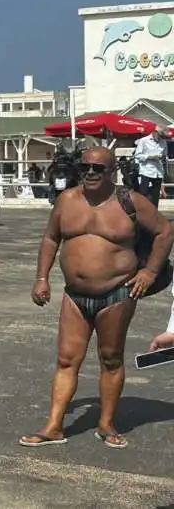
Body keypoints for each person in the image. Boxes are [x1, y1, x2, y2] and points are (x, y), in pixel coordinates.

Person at [22, 146, 173, 450]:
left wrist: (149, 272)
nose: (90, 172)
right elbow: (51, 238)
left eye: (98, 168)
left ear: (112, 171)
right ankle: (53, 425)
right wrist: (41, 278)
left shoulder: (130, 202)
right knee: (66, 360)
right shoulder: (67, 200)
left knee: (111, 359)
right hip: (74, 296)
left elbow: (165, 231)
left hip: (116, 294)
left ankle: (106, 424)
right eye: (85, 167)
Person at [133, 126, 167, 208]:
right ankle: (142, 213)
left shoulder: (163, 142)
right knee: (143, 194)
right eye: (161, 135)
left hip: (158, 171)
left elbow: (165, 155)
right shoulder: (144, 140)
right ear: (155, 132)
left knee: (155, 197)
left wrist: (162, 157)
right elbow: (137, 155)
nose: (162, 138)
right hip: (146, 171)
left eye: (163, 136)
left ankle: (154, 215)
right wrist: (150, 157)